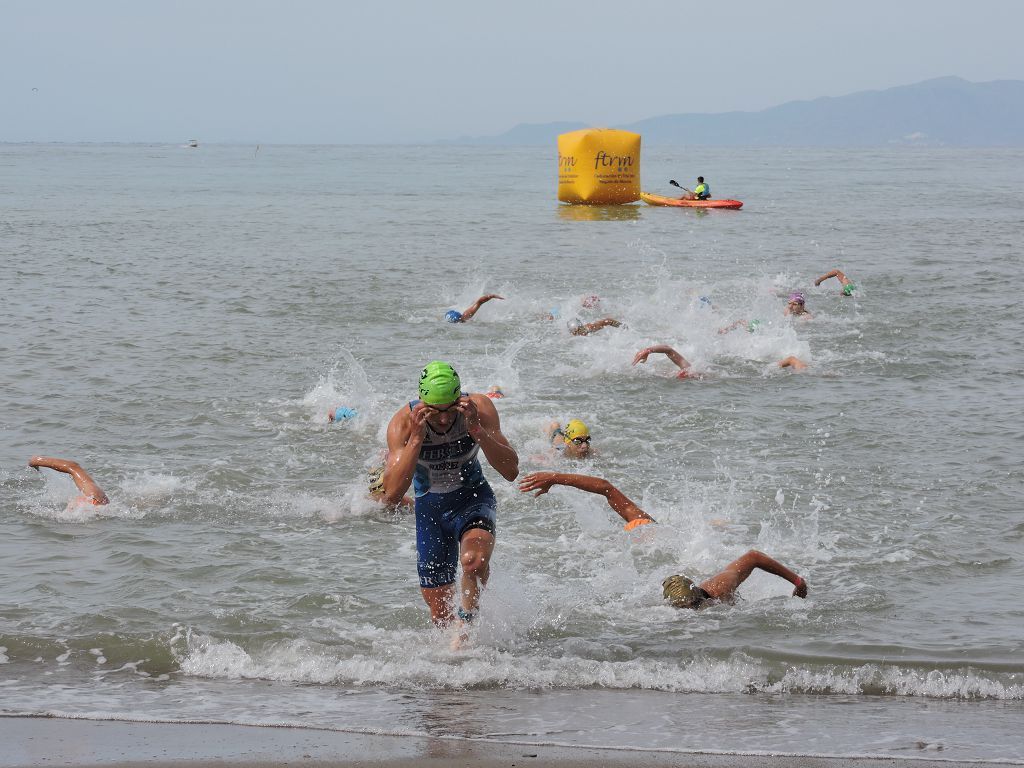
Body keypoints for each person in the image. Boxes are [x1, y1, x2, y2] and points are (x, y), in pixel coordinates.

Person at [518, 472, 808, 607]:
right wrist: (555, 477)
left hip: (663, 543)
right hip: (657, 541)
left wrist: (798, 582)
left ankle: (715, 523)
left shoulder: (715, 591)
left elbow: (754, 556)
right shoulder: (647, 538)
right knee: (644, 531)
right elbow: (607, 489)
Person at [381, 361, 519, 636]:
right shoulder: (402, 424)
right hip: (430, 512)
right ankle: (455, 659)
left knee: (474, 561)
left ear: (459, 398)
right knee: (440, 616)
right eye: (435, 413)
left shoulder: (479, 408)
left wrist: (477, 430)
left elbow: (511, 470)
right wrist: (416, 440)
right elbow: (391, 494)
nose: (444, 419)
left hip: (473, 498)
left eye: (450, 410)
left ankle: (467, 626)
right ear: (422, 403)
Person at [518, 471, 654, 531]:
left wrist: (555, 478)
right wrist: (555, 478)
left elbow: (606, 488)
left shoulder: (645, 528)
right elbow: (606, 488)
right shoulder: (645, 525)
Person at [28, 456, 109, 506]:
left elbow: (72, 466)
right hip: (97, 505)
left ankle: (36, 460)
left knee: (74, 467)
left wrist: (37, 460)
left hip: (95, 501)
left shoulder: (94, 497)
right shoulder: (102, 504)